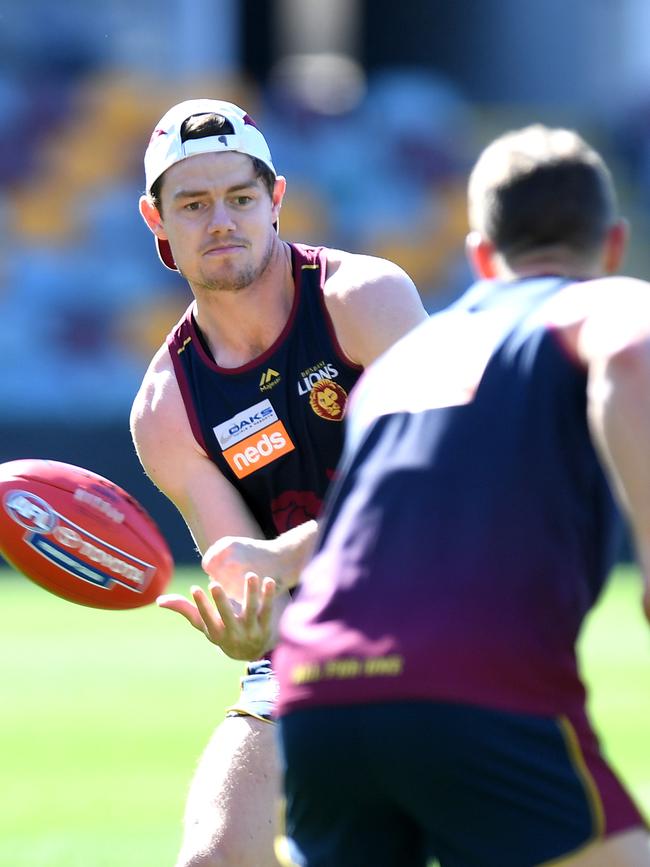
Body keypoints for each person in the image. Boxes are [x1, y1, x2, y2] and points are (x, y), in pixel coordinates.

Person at [273, 124, 650, 867]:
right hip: (475, 687)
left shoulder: (402, 362)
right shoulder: (596, 304)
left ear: (481, 256)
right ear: (613, 245)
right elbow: (634, 356)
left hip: (318, 694)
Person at [129, 97, 428, 867]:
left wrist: (286, 559)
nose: (220, 220)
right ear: (155, 219)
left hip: (451, 617)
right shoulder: (167, 408)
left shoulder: (364, 299)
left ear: (277, 201)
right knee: (214, 857)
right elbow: (243, 570)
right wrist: (251, 620)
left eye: (240, 197)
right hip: (312, 651)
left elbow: (437, 494)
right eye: (192, 204)